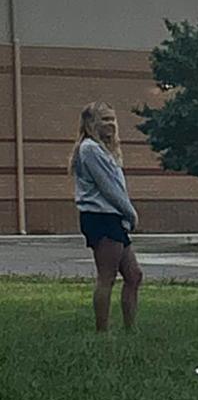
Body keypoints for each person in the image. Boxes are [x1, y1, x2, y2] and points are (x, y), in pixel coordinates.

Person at [70, 102, 143, 333]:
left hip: (113, 217)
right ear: (91, 123)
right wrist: (130, 212)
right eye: (104, 119)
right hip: (100, 217)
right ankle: (102, 333)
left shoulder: (104, 151)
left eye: (112, 119)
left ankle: (130, 330)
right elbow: (108, 188)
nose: (111, 124)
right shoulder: (89, 149)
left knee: (133, 275)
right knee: (107, 276)